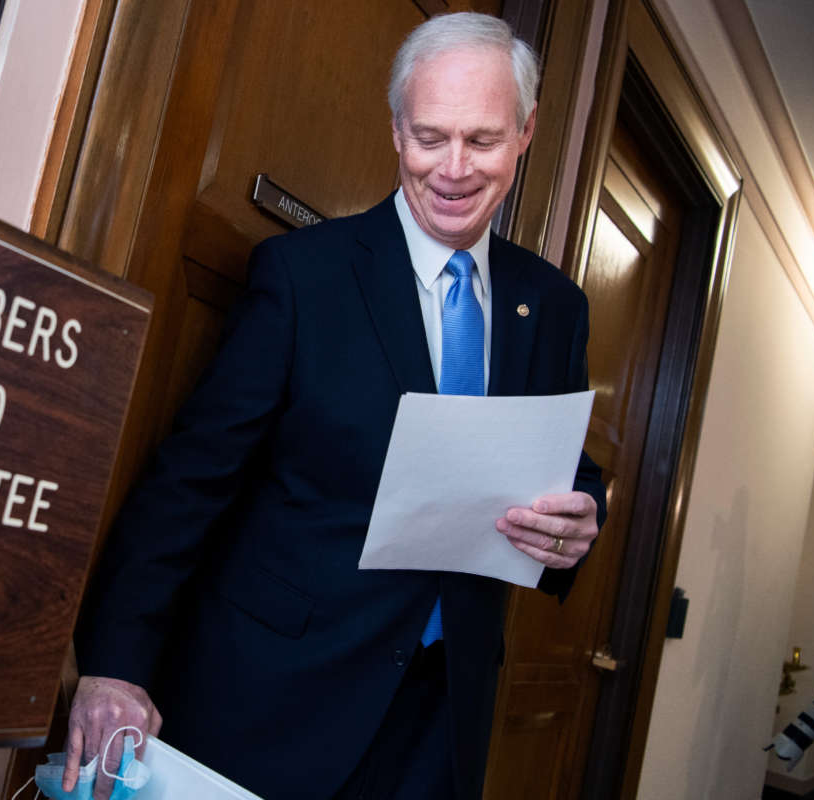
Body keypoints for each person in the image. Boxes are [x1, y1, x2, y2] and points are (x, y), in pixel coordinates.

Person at [64, 11, 606, 800]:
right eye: (430, 137)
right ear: (395, 131)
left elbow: (568, 468)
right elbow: (191, 482)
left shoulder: (553, 305)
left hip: (438, 718)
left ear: (525, 133)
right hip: (274, 699)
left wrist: (579, 520)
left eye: (483, 141)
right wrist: (112, 664)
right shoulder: (300, 277)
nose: (453, 169)